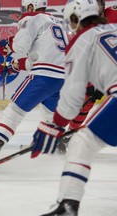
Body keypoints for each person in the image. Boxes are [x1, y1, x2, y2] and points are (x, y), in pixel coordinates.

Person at [30, 0, 117, 215]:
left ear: (77, 18)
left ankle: (68, 205)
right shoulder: (113, 29)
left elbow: (73, 94)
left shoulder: (81, 41)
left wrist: (56, 125)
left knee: (81, 143)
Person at [0, 0, 68, 158]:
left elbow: (21, 46)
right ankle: (57, 145)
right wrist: (13, 65)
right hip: (63, 79)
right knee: (50, 116)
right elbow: (37, 58)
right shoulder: (58, 23)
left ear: (31, 6)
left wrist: (9, 45)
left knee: (14, 111)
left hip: (44, 77)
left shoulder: (33, 18)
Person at [57, 0, 117, 154]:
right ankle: (69, 134)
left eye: (100, 3)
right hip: (102, 67)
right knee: (84, 99)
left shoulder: (114, 13)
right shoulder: (86, 28)